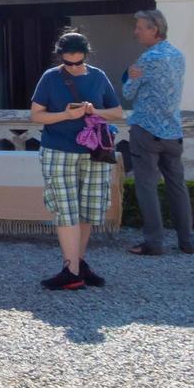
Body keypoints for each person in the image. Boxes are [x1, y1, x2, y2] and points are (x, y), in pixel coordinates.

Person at [29, 31, 123, 290]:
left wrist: (94, 111)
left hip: (94, 152)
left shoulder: (98, 76)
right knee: (65, 209)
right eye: (68, 64)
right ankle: (71, 269)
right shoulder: (50, 78)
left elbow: (117, 112)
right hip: (58, 150)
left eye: (78, 63)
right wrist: (66, 115)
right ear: (60, 58)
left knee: (88, 209)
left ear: (87, 56)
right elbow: (36, 116)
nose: (73, 68)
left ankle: (78, 265)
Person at [123, 10, 194, 256]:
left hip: (147, 130)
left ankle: (153, 242)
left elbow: (128, 93)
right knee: (177, 186)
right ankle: (188, 241)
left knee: (147, 186)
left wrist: (130, 77)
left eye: (140, 27)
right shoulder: (178, 55)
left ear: (154, 30)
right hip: (173, 131)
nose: (136, 31)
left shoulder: (148, 59)